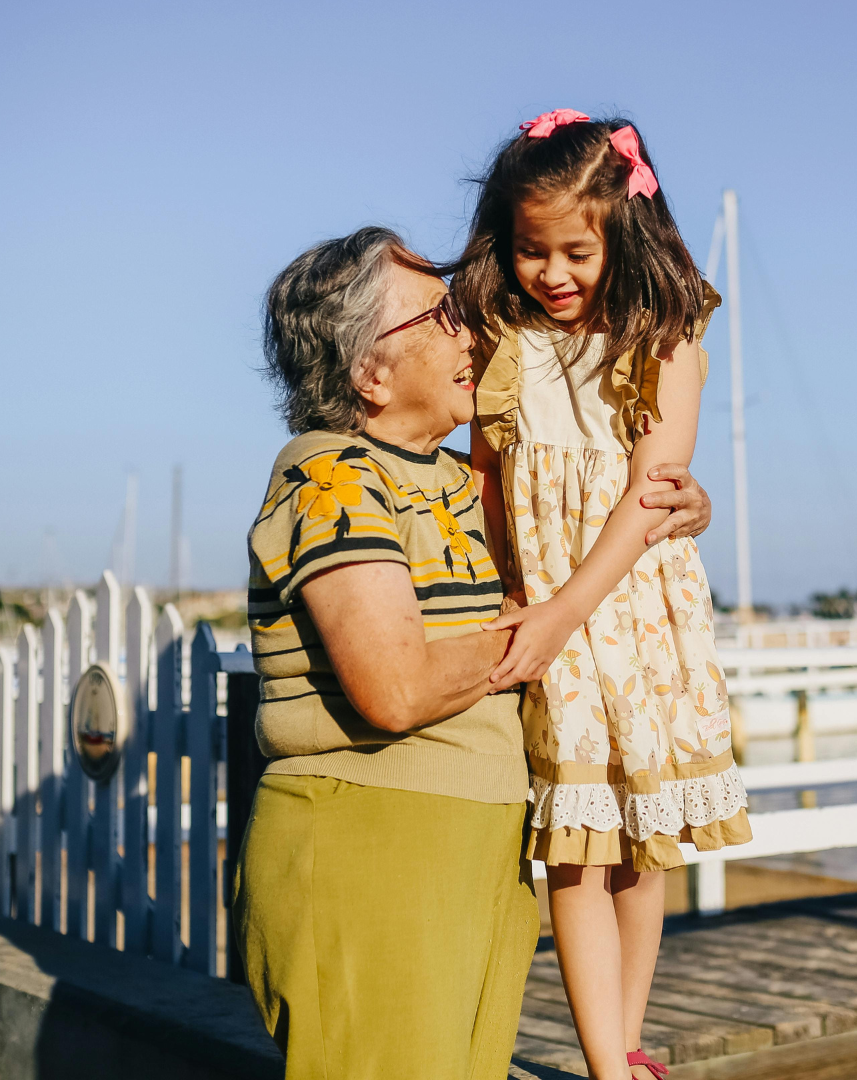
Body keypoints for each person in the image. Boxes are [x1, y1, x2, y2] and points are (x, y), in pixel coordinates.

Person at [235, 225, 714, 1080]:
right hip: (373, 851)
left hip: (473, 856)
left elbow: (586, 503)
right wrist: (539, 628)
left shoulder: (457, 481)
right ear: (367, 372)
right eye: (442, 314)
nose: (473, 330)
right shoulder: (334, 477)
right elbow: (396, 687)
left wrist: (675, 508)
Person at [455, 110, 752, 1080]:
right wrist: (510, 594)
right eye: (531, 250)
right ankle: (604, 1063)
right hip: (543, 612)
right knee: (575, 848)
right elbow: (490, 481)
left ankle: (622, 1044)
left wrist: (565, 608)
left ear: (623, 234)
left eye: (576, 251)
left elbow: (652, 493)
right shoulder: (504, 343)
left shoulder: (664, 342)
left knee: (638, 842)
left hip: (630, 613)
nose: (553, 273)